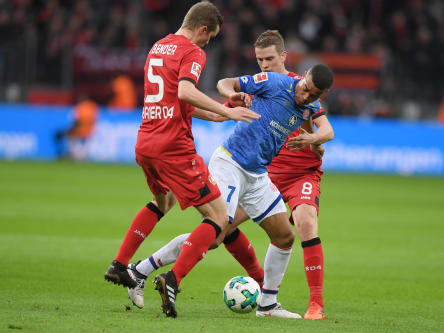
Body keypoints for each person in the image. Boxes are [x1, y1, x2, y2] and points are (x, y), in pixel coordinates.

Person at [127, 30, 333, 320]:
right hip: (231, 163)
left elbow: (316, 126)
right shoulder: (275, 81)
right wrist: (231, 95)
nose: (305, 94)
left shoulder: (308, 104)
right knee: (214, 231)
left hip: (257, 175)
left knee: (285, 236)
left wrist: (313, 144)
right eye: (305, 88)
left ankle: (267, 305)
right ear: (304, 77)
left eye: (312, 94)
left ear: (320, 95)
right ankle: (154, 274)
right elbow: (225, 82)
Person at [103, 1, 259, 319]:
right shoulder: (192, 51)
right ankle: (171, 280)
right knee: (219, 218)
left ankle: (120, 265)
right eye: (210, 37)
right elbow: (186, 92)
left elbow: (175, 98)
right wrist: (227, 111)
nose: (207, 43)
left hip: (146, 141)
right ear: (202, 29)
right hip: (174, 147)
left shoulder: (159, 46)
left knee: (163, 201)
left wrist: (219, 115)